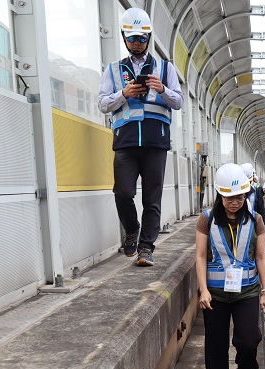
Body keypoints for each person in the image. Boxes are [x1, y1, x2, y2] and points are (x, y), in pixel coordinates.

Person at [98, 7, 183, 267]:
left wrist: (162, 88)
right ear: (124, 38)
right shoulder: (113, 70)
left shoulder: (165, 68)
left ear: (148, 37)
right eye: (132, 38)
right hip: (125, 141)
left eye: (142, 38)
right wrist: (123, 93)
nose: (137, 42)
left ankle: (146, 248)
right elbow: (102, 103)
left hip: (155, 141)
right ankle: (132, 229)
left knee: (151, 198)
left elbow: (178, 101)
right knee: (122, 193)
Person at [195, 163, 265, 369]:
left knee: (249, 340)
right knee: (216, 346)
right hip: (216, 295)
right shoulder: (206, 219)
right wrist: (203, 290)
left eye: (240, 196)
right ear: (220, 194)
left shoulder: (256, 220)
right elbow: (200, 255)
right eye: (230, 197)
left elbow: (261, 258)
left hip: (247, 292)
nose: (235, 202)